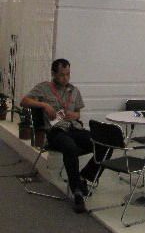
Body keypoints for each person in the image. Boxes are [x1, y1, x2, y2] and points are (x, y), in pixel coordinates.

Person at [21, 58, 102, 214]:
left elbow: (78, 113)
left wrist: (74, 115)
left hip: (74, 128)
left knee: (103, 143)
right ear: (54, 74)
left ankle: (85, 177)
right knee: (70, 147)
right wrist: (44, 105)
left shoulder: (74, 90)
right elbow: (24, 101)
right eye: (62, 75)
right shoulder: (44, 88)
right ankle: (77, 192)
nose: (65, 78)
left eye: (68, 74)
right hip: (55, 131)